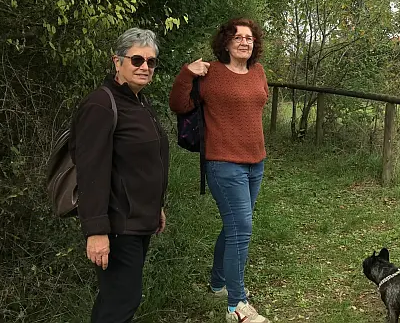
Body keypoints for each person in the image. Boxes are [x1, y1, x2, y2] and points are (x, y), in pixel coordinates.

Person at [169, 18, 270, 323]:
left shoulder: (258, 72)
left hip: (256, 161)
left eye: (249, 38)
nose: (244, 42)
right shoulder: (210, 73)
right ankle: (236, 306)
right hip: (223, 163)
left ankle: (218, 284)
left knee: (236, 226)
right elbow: (178, 103)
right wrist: (187, 72)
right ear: (226, 42)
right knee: (242, 229)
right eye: (237, 37)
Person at [70, 28, 169, 323]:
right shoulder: (101, 105)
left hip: (139, 219)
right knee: (123, 299)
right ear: (117, 61)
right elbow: (91, 171)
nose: (144, 67)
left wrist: (156, 208)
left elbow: (142, 164)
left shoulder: (139, 101)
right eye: (137, 59)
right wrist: (96, 231)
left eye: (151, 62)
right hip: (116, 223)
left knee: (116, 298)